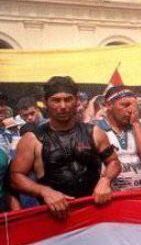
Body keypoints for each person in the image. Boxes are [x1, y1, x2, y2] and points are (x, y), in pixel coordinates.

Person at [10, 76, 121, 218]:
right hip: (54, 218)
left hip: (93, 212)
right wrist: (44, 191)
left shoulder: (94, 132)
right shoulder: (32, 139)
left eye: (68, 99)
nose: (63, 106)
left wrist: (106, 180)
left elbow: (114, 162)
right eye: (56, 100)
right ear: (45, 103)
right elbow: (15, 177)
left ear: (76, 101)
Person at [96, 86, 141, 191]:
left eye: (135, 106)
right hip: (110, 198)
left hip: (139, 196)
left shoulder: (140, 128)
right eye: (125, 105)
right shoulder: (96, 129)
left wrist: (135, 123)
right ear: (109, 105)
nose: (131, 110)